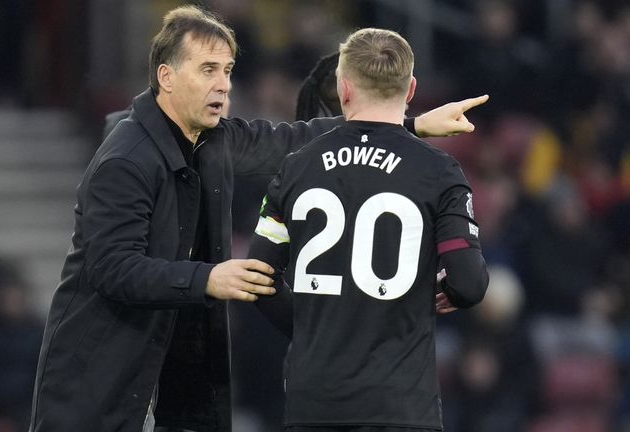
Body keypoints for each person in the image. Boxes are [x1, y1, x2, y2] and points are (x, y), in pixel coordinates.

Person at [29, 6, 488, 432]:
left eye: (227, 71)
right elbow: (112, 268)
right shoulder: (126, 159)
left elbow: (294, 140)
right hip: (96, 375)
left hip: (165, 371)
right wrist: (207, 279)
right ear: (165, 77)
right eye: (208, 70)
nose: (224, 85)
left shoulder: (210, 138)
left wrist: (406, 126)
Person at [248, 28, 489, 431]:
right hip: (399, 405)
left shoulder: (296, 166)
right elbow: (469, 283)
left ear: (344, 88)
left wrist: (312, 325)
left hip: (314, 403)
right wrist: (445, 291)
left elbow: (258, 275)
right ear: (410, 90)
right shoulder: (439, 172)